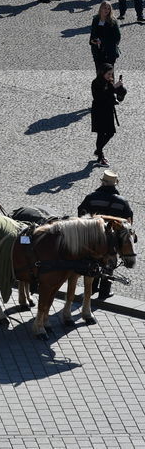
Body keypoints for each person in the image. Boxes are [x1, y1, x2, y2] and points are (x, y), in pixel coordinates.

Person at [79, 170, 134, 299]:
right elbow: (128, 223)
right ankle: (105, 291)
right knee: (109, 263)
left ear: (103, 183)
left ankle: (92, 288)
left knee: (93, 260)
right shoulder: (122, 202)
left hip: (94, 238)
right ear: (115, 185)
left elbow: (81, 215)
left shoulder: (91, 197)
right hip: (112, 240)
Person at [91, 64, 127, 166]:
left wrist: (121, 88)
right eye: (108, 74)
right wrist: (114, 87)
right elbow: (100, 96)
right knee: (101, 133)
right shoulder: (96, 83)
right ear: (102, 72)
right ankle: (99, 155)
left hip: (108, 111)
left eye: (111, 73)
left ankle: (98, 151)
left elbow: (115, 93)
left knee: (110, 132)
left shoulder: (109, 81)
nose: (110, 76)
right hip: (99, 111)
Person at [90, 1, 121, 70]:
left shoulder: (113, 21)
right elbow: (93, 33)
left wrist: (103, 41)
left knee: (109, 74)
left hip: (109, 52)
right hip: (97, 51)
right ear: (101, 9)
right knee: (99, 73)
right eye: (105, 8)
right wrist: (92, 41)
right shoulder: (96, 19)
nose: (106, 10)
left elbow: (117, 37)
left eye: (108, 9)